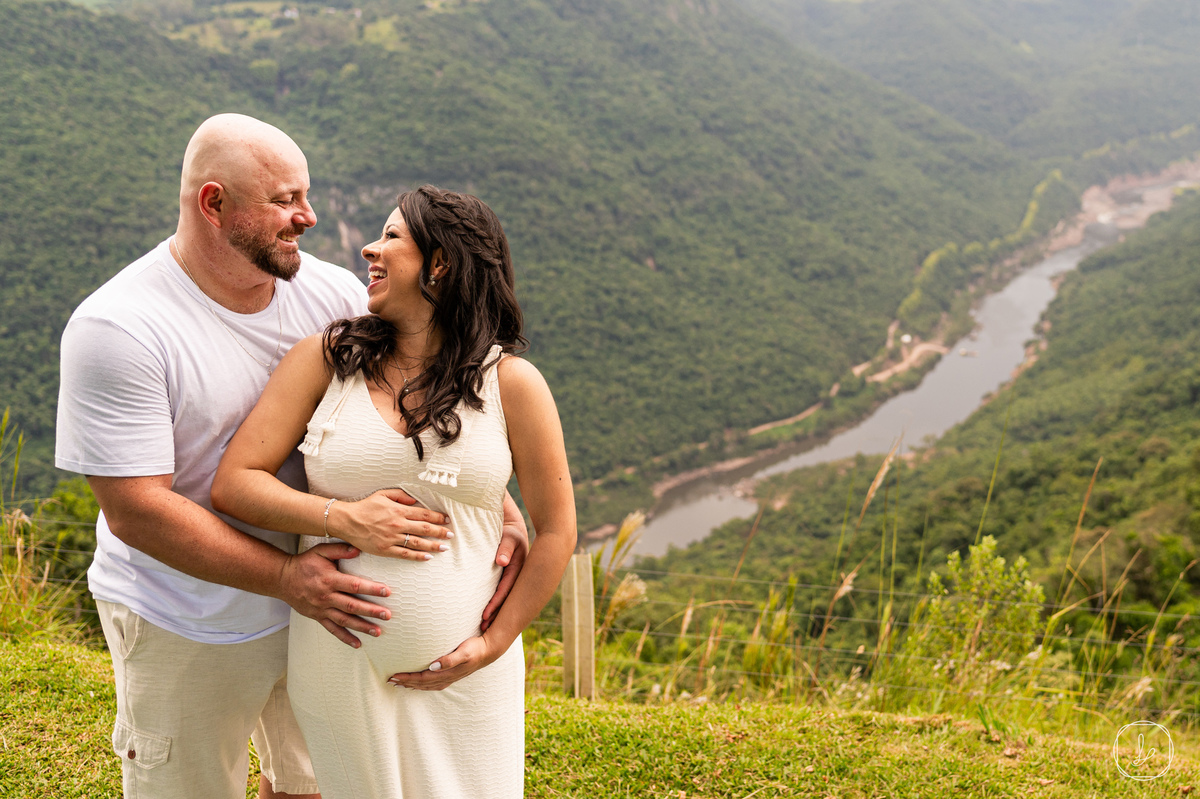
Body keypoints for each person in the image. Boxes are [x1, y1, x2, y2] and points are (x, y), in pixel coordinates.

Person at [54, 114, 528, 799]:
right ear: (213, 204)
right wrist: (288, 576)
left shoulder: (331, 295)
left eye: (306, 194)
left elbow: (412, 408)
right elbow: (136, 511)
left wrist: (495, 502)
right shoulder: (119, 328)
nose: (308, 216)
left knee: (310, 786)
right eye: (283, 200)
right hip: (187, 615)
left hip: (322, 616)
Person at [211, 184, 577, 798]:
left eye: (392, 238)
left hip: (466, 683)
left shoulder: (513, 384)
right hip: (336, 663)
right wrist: (343, 517)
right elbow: (234, 484)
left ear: (441, 264)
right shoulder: (326, 361)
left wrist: (491, 644)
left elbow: (558, 529)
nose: (369, 250)